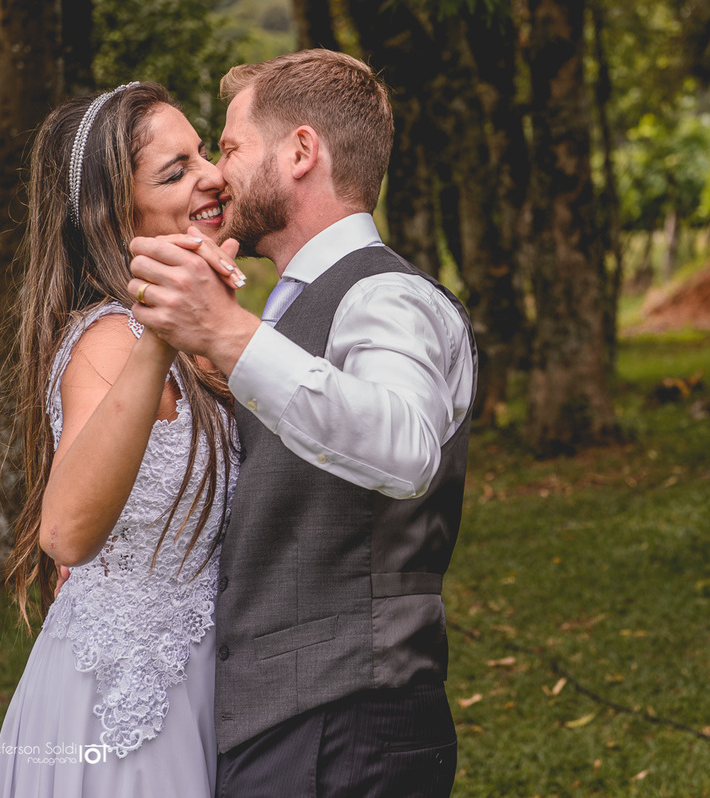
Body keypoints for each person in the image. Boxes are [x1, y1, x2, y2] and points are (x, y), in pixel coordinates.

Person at [127, 49, 477, 797]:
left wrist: (226, 333)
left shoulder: (388, 297)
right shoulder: (284, 312)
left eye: (229, 147)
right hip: (277, 723)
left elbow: (406, 446)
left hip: (348, 720)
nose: (217, 175)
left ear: (300, 152)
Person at [0, 82, 244, 797]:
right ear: (113, 216)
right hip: (123, 707)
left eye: (202, 152)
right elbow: (66, 532)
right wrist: (156, 336)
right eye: (176, 171)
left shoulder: (211, 324)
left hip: (204, 679)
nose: (212, 176)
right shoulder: (110, 340)